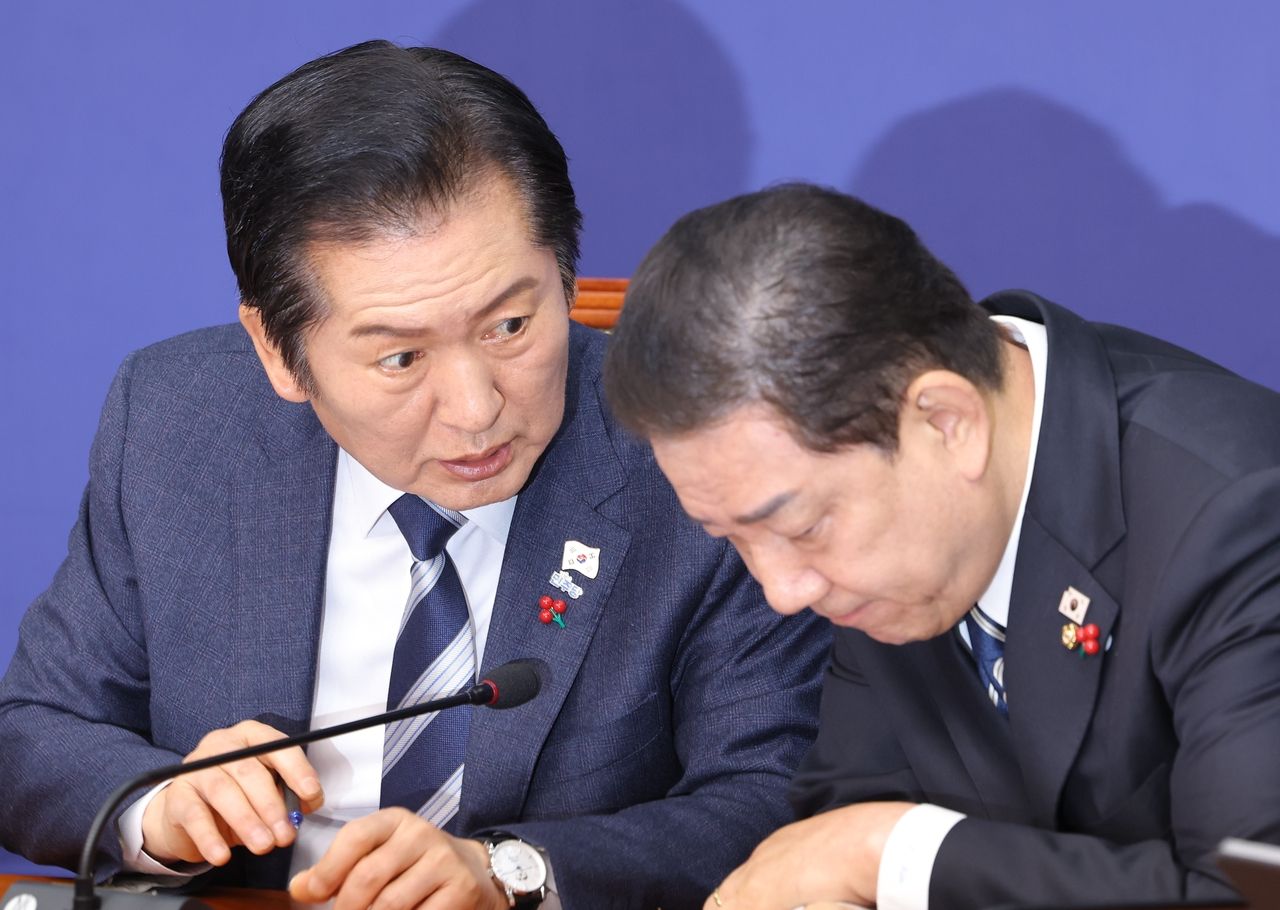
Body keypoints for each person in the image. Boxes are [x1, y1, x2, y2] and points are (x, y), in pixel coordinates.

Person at [0, 43, 829, 910]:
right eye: (401, 358)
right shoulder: (179, 422)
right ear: (278, 353)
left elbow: (772, 797)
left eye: (510, 326)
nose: (476, 409)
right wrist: (163, 807)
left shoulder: (689, 456)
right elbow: (32, 733)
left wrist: (512, 870)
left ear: (563, 275)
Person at [602, 182, 1280, 910]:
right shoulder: (886, 530)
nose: (783, 590)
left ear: (946, 422)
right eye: (734, 539)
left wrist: (893, 853)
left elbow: (1255, 885)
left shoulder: (1241, 515)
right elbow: (845, 807)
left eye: (803, 529)